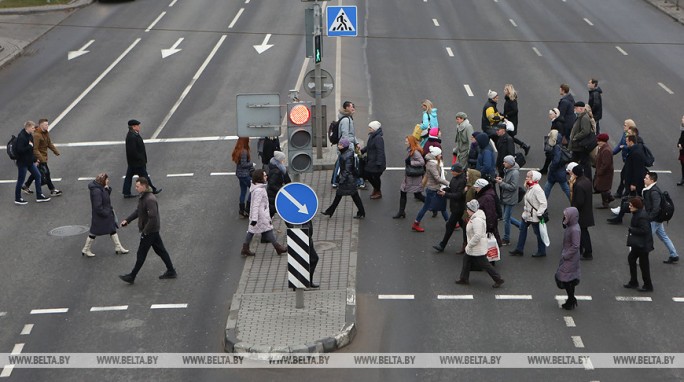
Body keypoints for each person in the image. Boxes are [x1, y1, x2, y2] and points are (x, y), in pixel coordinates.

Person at [118, 177, 176, 284]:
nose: (136, 188)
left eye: (137, 186)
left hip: (150, 231)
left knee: (141, 254)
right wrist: (127, 220)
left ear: (144, 186)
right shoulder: (144, 197)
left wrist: (145, 232)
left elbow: (153, 218)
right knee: (161, 251)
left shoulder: (149, 199)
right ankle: (171, 270)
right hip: (152, 231)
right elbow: (139, 211)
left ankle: (132, 276)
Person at [455, 199, 505, 288]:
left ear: (472, 210)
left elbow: (477, 235)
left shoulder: (476, 220)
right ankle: (464, 278)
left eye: (468, 209)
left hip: (476, 247)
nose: (467, 210)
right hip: (475, 247)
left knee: (484, 264)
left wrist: (469, 245)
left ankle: (498, 279)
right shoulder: (476, 216)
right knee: (466, 260)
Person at [240, 169, 288, 257]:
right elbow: (255, 205)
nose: (266, 177)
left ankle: (245, 248)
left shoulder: (258, 188)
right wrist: (254, 219)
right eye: (264, 176)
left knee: (253, 231)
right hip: (260, 215)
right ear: (260, 178)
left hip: (259, 215)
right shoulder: (259, 190)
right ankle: (278, 248)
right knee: (267, 230)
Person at [81, 173, 129, 257]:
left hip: (104, 214)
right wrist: (106, 213)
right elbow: (98, 206)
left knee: (111, 229)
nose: (108, 181)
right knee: (94, 232)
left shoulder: (100, 188)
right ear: (102, 181)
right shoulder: (97, 191)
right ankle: (86, 249)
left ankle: (118, 247)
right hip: (102, 215)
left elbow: (105, 197)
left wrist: (107, 189)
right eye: (107, 179)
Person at [321, 138, 366, 219]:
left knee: (347, 196)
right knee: (352, 197)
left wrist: (341, 180)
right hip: (349, 180)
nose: (339, 146)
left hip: (348, 180)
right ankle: (361, 212)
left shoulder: (347, 156)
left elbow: (347, 170)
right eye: (339, 144)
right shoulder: (345, 154)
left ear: (345, 146)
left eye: (341, 145)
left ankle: (330, 211)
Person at [641, 172, 679, 264]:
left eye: (646, 178)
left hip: (654, 220)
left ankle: (641, 259)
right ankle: (674, 255)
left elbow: (656, 208)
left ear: (652, 180)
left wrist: (649, 219)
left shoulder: (654, 192)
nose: (644, 179)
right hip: (657, 219)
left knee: (646, 238)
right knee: (663, 236)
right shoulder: (650, 189)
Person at [411, 146, 449, 232]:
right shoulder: (432, 165)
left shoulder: (432, 162)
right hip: (434, 189)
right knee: (439, 207)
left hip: (433, 188)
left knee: (440, 207)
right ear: (436, 155)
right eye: (440, 154)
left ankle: (416, 223)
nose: (441, 156)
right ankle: (450, 223)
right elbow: (437, 178)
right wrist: (448, 183)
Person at [510, 171, 547, 257]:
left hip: (534, 216)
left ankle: (542, 251)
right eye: (527, 176)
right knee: (523, 230)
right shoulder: (530, 187)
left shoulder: (537, 189)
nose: (526, 178)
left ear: (534, 178)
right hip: (527, 215)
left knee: (538, 233)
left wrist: (539, 213)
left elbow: (543, 203)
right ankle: (519, 249)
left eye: (529, 177)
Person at [23, 118, 62, 197]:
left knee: (36, 173)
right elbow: (35, 149)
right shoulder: (37, 135)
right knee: (46, 173)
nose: (47, 126)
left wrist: (55, 151)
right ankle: (52, 190)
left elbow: (49, 143)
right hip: (39, 158)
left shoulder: (45, 133)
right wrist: (41, 159)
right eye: (46, 125)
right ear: (41, 125)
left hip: (43, 157)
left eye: (47, 124)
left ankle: (26, 186)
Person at [14, 121, 50, 205]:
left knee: (38, 175)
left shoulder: (29, 135)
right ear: (28, 127)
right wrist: (29, 146)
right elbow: (20, 150)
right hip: (23, 163)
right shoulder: (22, 137)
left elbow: (31, 150)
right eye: (33, 128)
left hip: (29, 161)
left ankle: (39, 195)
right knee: (20, 180)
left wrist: (35, 159)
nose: (34, 129)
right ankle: (17, 198)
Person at [123, 119, 161, 198]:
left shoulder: (133, 134)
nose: (139, 127)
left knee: (129, 177)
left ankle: (126, 192)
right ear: (133, 126)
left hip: (133, 162)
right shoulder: (132, 136)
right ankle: (152, 190)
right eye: (137, 125)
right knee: (145, 176)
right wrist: (140, 159)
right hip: (137, 163)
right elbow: (132, 151)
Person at [433, 163, 466, 252]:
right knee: (464, 227)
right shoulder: (455, 178)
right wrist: (444, 190)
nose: (451, 172)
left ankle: (442, 245)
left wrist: (446, 194)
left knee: (450, 225)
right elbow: (452, 189)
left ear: (458, 172)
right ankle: (467, 242)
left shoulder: (462, 180)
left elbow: (459, 195)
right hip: (455, 207)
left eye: (453, 171)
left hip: (458, 208)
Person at [623, 197, 654, 292]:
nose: (629, 207)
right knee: (632, 259)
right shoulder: (638, 213)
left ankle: (647, 285)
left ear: (636, 206)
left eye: (631, 205)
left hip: (643, 245)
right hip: (640, 244)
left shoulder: (641, 216)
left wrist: (632, 230)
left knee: (643, 264)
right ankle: (634, 281)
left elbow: (644, 230)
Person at [332, 101, 364, 189]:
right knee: (352, 164)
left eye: (353, 107)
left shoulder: (348, 118)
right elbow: (345, 135)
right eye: (351, 107)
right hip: (346, 147)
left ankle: (335, 181)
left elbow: (351, 134)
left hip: (346, 146)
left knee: (340, 164)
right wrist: (345, 147)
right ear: (346, 108)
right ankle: (358, 181)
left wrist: (356, 142)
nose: (353, 108)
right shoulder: (346, 120)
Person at [393, 135, 425, 219]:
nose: (405, 142)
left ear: (411, 142)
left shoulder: (415, 152)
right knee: (406, 192)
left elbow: (422, 162)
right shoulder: (411, 150)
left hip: (413, 177)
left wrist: (411, 163)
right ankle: (401, 212)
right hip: (411, 176)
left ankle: (432, 206)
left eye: (407, 141)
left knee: (415, 194)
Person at [556, 207, 581, 310]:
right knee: (569, 278)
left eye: (566, 215)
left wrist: (566, 255)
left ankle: (571, 299)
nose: (564, 217)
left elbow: (575, 245)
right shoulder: (571, 226)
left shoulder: (574, 229)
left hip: (570, 258)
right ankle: (571, 300)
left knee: (565, 278)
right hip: (570, 257)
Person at [569, 166, 595, 260]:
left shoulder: (579, 185)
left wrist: (572, 210)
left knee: (583, 233)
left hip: (581, 213)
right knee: (583, 232)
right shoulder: (586, 181)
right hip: (586, 211)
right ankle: (583, 250)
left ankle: (587, 252)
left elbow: (579, 201)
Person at [496, 155, 520, 246]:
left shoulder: (514, 173)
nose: (503, 163)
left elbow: (513, 187)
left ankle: (506, 238)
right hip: (507, 197)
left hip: (510, 198)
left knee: (506, 219)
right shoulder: (509, 170)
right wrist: (502, 180)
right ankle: (521, 226)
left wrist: (501, 183)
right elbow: (509, 182)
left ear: (510, 163)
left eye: (505, 162)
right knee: (507, 217)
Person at [568, 101, 594, 183]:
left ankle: (586, 181)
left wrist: (575, 137)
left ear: (581, 108)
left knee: (585, 164)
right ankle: (575, 177)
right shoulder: (581, 116)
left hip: (580, 146)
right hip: (578, 146)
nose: (574, 110)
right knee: (575, 161)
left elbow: (585, 131)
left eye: (576, 108)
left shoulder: (584, 118)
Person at [543, 129, 571, 201]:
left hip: (556, 171)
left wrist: (552, 168)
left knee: (548, 187)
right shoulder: (559, 145)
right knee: (565, 188)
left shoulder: (556, 148)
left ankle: (542, 203)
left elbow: (556, 160)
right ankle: (573, 201)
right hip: (560, 172)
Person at [503, 84, 530, 154]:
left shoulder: (512, 100)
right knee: (510, 137)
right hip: (509, 121)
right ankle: (524, 146)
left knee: (510, 137)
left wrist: (506, 115)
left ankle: (513, 152)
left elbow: (515, 110)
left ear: (508, 91)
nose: (504, 91)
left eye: (505, 89)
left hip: (512, 122)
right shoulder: (508, 99)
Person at [362, 121, 386, 199]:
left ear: (375, 128)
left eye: (370, 128)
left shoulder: (378, 138)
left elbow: (380, 151)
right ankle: (376, 189)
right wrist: (362, 151)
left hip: (376, 162)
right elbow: (369, 146)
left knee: (375, 177)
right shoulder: (372, 136)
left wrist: (379, 162)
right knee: (368, 175)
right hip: (372, 161)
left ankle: (378, 191)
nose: (369, 129)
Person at [473, 178, 501, 245]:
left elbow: (490, 214)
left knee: (488, 244)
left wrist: (490, 227)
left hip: (486, 225)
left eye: (476, 187)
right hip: (486, 223)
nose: (475, 189)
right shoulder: (487, 194)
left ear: (481, 187)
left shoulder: (486, 198)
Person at [613, 119, 636, 197]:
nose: (623, 126)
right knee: (624, 175)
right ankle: (623, 192)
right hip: (626, 159)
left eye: (625, 125)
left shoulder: (633, 136)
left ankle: (624, 192)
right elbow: (620, 144)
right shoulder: (624, 134)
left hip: (631, 160)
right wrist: (612, 152)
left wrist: (625, 147)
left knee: (625, 175)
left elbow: (634, 147)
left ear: (630, 127)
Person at [232, 137, 253, 218]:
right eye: (248, 139)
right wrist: (251, 164)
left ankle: (241, 210)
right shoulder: (244, 151)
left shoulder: (238, 150)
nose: (250, 140)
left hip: (240, 174)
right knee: (253, 189)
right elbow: (244, 164)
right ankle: (247, 208)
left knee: (243, 191)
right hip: (245, 175)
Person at [267, 151, 291, 218]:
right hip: (274, 194)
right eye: (283, 159)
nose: (284, 160)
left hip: (275, 193)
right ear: (279, 160)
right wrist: (281, 190)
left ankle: (266, 224)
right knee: (275, 211)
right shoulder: (276, 171)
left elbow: (287, 179)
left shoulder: (280, 168)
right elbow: (271, 184)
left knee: (272, 212)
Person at [539, 108, 564, 174]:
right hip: (554, 141)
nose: (549, 116)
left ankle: (549, 169)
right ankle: (545, 169)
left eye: (551, 114)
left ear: (555, 114)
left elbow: (559, 133)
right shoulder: (556, 121)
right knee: (550, 155)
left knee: (552, 155)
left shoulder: (557, 123)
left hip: (555, 142)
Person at [594, 133, 615, 209]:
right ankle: (609, 198)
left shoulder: (606, 150)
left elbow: (606, 164)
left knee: (603, 188)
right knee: (603, 187)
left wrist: (600, 171)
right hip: (604, 173)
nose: (597, 142)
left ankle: (606, 202)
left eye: (599, 141)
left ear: (603, 141)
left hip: (605, 173)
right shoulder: (603, 148)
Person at [678, 115, 684, 186]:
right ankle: (683, 178)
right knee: (683, 165)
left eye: (683, 118)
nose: (682, 119)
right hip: (682, 152)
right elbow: (680, 139)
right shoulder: (683, 130)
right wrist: (679, 144)